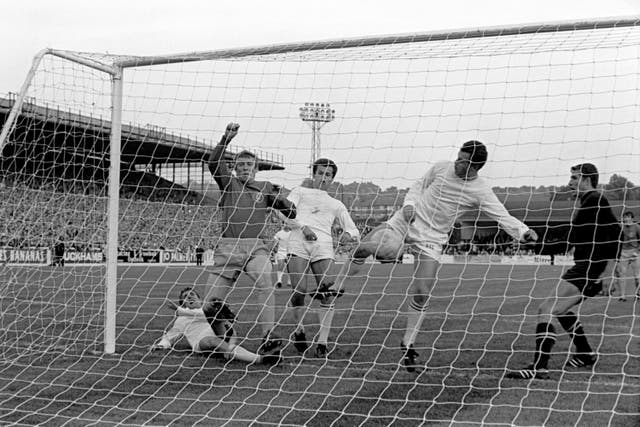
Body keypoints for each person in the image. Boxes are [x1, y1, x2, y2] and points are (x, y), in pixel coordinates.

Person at [332, 141, 538, 372]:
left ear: (475, 166)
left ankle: (407, 345)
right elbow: (418, 186)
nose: (457, 163)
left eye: (462, 161)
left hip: (432, 238)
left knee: (422, 293)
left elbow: (501, 215)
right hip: (406, 221)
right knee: (385, 252)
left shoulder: (480, 190)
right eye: (458, 157)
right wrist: (409, 204)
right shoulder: (442, 167)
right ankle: (337, 283)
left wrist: (523, 231)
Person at [506, 163, 621, 380]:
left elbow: (617, 234)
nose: (570, 183)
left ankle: (539, 367)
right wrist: (536, 243)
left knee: (546, 308)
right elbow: (569, 240)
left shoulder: (596, 199)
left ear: (587, 179)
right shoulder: (587, 203)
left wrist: (609, 271)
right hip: (588, 267)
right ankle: (586, 353)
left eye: (574, 178)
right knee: (561, 310)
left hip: (590, 268)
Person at [206, 122, 296, 359]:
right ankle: (224, 335)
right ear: (234, 169)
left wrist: (287, 206)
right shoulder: (228, 183)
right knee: (209, 305)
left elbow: (288, 209)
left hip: (256, 246)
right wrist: (226, 138)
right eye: (240, 165)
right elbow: (214, 163)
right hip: (228, 248)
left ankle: (268, 337)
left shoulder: (266, 187)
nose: (245, 167)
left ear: (256, 168)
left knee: (266, 280)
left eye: (249, 164)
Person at [284, 158, 360, 358]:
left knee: (328, 292)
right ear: (314, 174)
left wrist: (348, 235)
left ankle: (322, 342)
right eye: (321, 173)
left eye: (328, 175)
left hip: (324, 247)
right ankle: (299, 329)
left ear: (332, 179)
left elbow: (353, 229)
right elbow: (284, 213)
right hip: (298, 242)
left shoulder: (336, 204)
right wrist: (304, 228)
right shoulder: (299, 192)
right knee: (298, 290)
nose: (324, 178)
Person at [151, 287, 280, 365]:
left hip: (218, 332)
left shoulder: (208, 311)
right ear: (183, 303)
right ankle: (261, 359)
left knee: (226, 326)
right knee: (213, 339)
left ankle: (228, 350)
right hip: (201, 341)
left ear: (200, 300)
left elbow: (204, 313)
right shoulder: (182, 319)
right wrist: (161, 345)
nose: (189, 296)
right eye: (185, 296)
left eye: (192, 294)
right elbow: (170, 337)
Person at [611, 211, 640, 301]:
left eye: (627, 217)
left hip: (635, 253)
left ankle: (638, 294)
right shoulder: (620, 227)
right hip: (623, 253)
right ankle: (622, 296)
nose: (625, 219)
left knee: (637, 276)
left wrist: (637, 251)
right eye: (624, 217)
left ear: (632, 218)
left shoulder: (637, 227)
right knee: (621, 274)